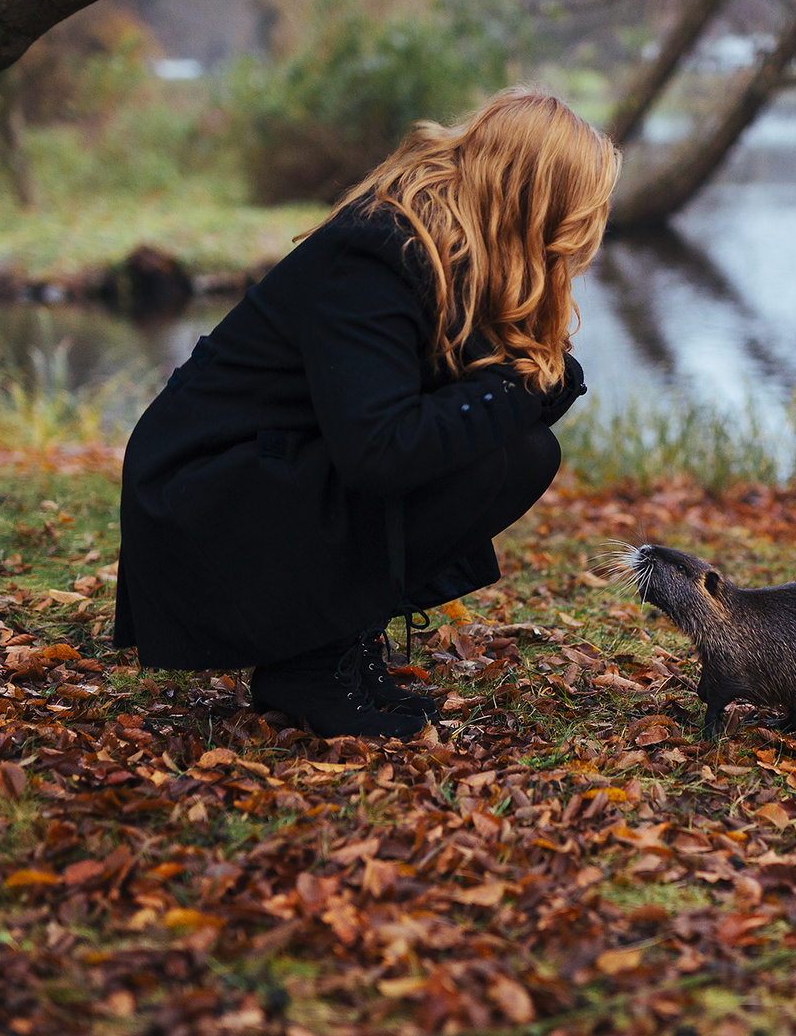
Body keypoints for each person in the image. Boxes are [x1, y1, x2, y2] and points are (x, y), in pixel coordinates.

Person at [113, 88, 621, 739]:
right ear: (532, 199)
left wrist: (535, 377)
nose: (582, 232)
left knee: (520, 454)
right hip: (202, 503)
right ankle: (308, 666)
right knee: (491, 451)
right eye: (577, 211)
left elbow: (475, 408)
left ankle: (334, 644)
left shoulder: (442, 254)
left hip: (269, 479)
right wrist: (523, 383)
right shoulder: (376, 254)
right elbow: (381, 449)